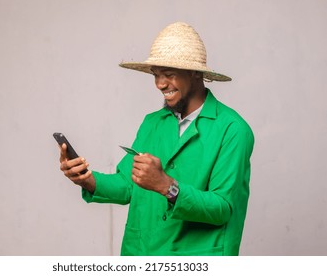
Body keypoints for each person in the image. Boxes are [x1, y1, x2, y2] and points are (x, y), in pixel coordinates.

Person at [59, 22, 254, 256]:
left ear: (194, 73)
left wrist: (166, 186)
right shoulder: (152, 123)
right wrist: (86, 179)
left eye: (169, 74)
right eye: (156, 75)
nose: (160, 84)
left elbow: (223, 208)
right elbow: (128, 185)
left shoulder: (233, 129)